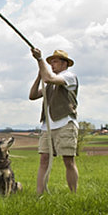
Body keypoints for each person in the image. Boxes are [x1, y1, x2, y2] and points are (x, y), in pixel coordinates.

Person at [29, 48, 79, 194]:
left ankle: (73, 194)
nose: (52, 65)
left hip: (65, 123)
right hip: (47, 126)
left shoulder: (69, 76)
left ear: (65, 64)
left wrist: (40, 60)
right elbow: (32, 95)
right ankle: (39, 195)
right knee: (43, 159)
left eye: (55, 61)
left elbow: (49, 78)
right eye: (50, 62)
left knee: (68, 161)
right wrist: (39, 76)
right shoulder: (49, 82)